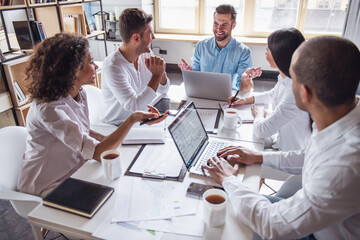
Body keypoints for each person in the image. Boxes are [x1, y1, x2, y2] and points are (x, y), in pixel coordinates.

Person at [203, 36, 360, 239]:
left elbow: (272, 225)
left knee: (225, 226)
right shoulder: (338, 115)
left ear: (305, 92)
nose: (287, 82)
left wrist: (229, 180)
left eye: (292, 77)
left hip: (318, 234)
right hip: (319, 218)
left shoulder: (344, 166)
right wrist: (258, 157)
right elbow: (308, 156)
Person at [17, 33, 167, 197]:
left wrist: (135, 130)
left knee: (127, 182)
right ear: (73, 70)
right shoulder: (49, 110)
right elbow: (96, 153)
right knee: (117, 196)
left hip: (76, 172)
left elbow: (85, 133)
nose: (96, 66)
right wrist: (131, 119)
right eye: (90, 62)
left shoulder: (78, 94)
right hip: (47, 185)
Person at [229, 28, 311, 151]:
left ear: (279, 55)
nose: (265, 52)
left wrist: (260, 113)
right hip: (279, 139)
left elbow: (261, 131)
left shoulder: (295, 93)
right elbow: (273, 94)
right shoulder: (287, 78)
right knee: (238, 142)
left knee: (243, 144)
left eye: (268, 49)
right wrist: (247, 100)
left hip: (286, 153)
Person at [100, 8, 170, 126]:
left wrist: (161, 73)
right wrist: (156, 75)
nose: (154, 37)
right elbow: (135, 107)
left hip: (139, 121)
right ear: (136, 38)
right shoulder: (113, 67)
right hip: (116, 126)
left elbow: (163, 90)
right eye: (150, 34)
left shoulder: (145, 54)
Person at [178, 4, 261, 91]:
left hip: (228, 99)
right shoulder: (201, 46)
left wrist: (246, 79)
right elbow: (195, 80)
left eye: (224, 25)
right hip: (203, 94)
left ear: (233, 25)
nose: (218, 28)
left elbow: (244, 89)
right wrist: (189, 73)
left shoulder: (243, 52)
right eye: (216, 23)